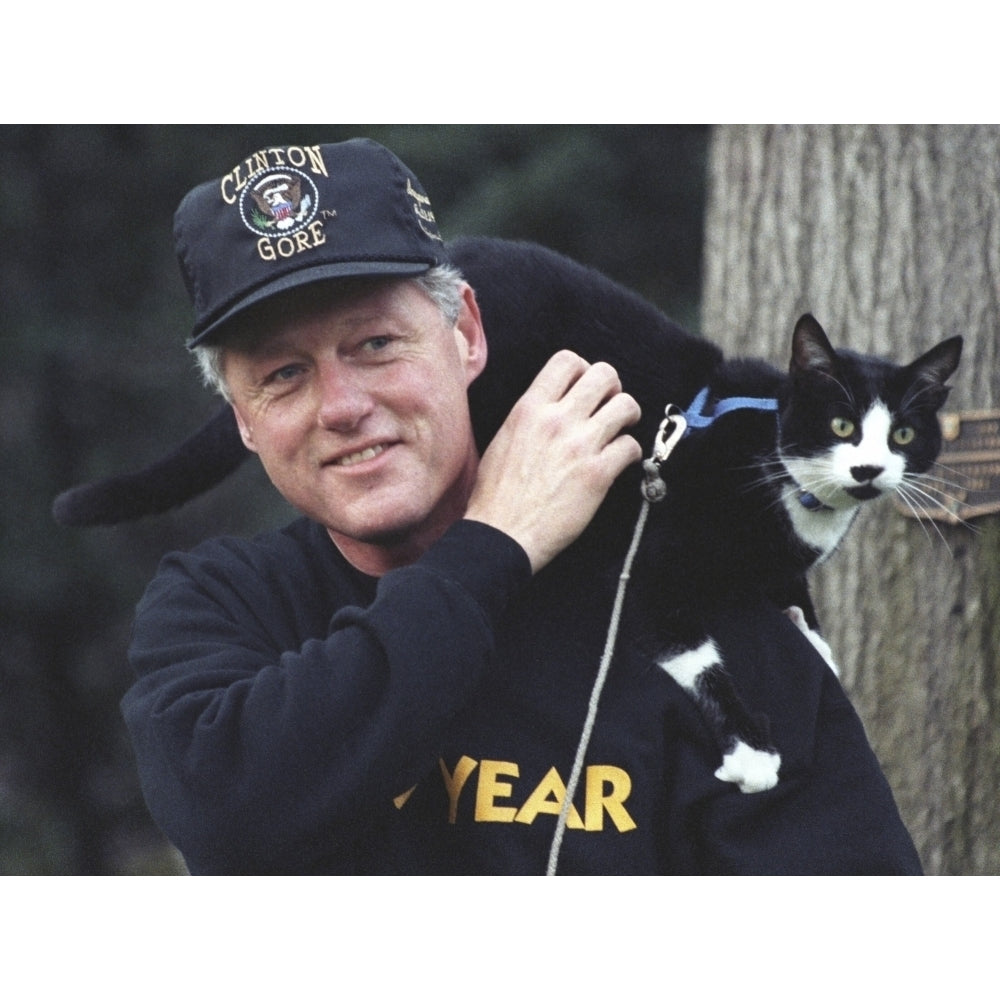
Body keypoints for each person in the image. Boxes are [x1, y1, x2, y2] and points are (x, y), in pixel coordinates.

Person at [122, 138, 922, 874]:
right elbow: (226, 812)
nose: (341, 405)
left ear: (468, 335)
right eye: (283, 375)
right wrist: (493, 545)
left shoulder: (689, 608)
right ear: (243, 420)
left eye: (374, 345)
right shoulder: (222, 604)